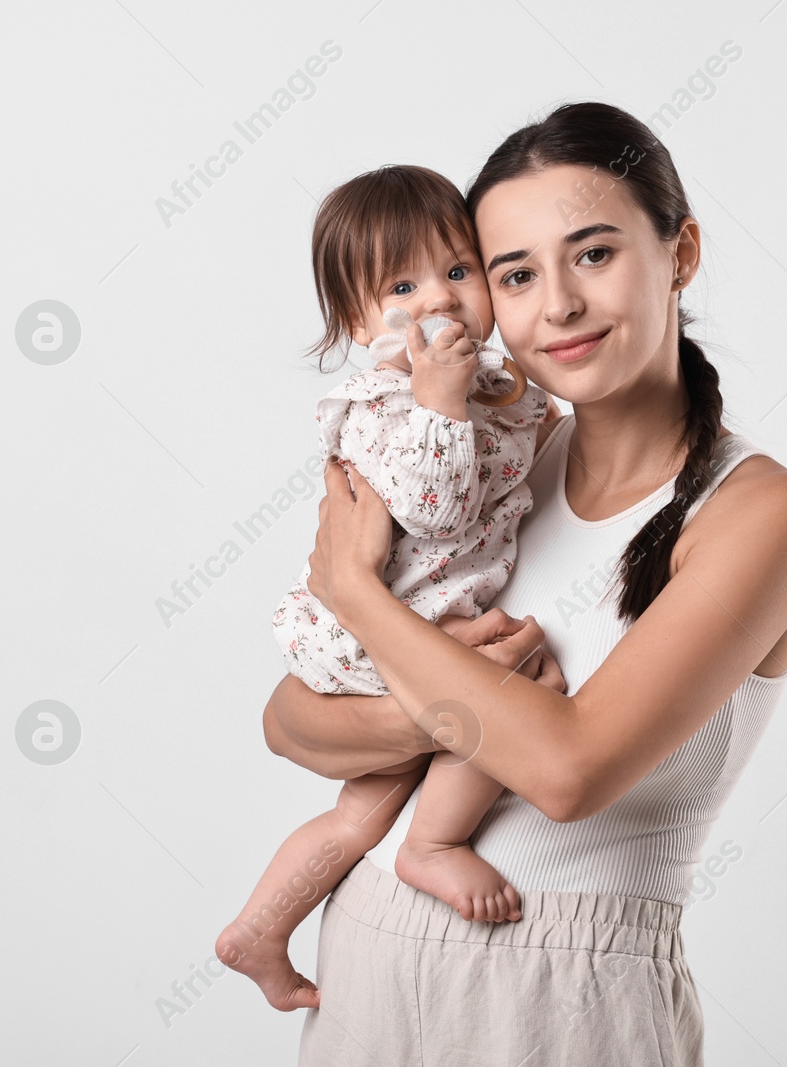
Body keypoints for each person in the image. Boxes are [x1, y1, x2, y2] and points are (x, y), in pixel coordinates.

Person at [264, 101, 787, 1065]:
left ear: (680, 252)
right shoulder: (488, 470)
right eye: (515, 275)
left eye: (595, 253)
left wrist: (361, 594)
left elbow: (568, 768)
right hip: (362, 964)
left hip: (558, 997)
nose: (557, 306)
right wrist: (423, 707)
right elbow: (290, 719)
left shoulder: (765, 512)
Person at [218, 164, 559, 1013]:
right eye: (402, 286)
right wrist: (440, 401)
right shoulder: (391, 400)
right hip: (374, 628)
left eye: (456, 271)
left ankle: (259, 926)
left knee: (360, 809)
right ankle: (435, 844)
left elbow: (515, 438)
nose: (439, 300)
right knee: (521, 683)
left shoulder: (483, 387)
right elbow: (437, 512)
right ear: (357, 321)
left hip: (388, 620)